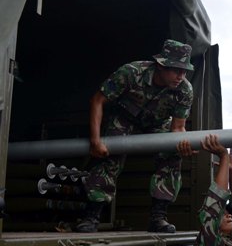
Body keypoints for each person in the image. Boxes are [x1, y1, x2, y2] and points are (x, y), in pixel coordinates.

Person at [77, 39, 194, 233]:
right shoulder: (132, 72)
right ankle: (91, 216)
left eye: (184, 71)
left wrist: (184, 145)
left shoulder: (184, 90)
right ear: (161, 65)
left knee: (172, 154)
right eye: (176, 70)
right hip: (125, 119)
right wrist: (95, 140)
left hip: (157, 125)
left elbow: (177, 128)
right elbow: (98, 100)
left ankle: (158, 217)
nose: (181, 76)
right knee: (109, 154)